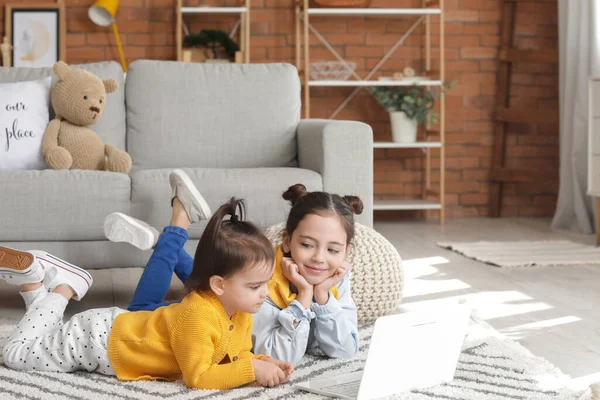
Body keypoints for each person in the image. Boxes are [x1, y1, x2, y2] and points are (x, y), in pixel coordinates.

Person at [0, 170, 293, 389]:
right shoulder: (198, 316)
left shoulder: (241, 311)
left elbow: (234, 354)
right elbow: (199, 377)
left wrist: (263, 362)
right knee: (15, 355)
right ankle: (64, 287)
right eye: (255, 286)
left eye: (265, 283)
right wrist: (251, 371)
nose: (265, 294)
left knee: (37, 339)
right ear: (218, 285)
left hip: (118, 329)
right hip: (97, 340)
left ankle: (34, 286)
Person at [102, 181, 362, 366]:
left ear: (345, 251)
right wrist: (305, 296)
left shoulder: (332, 280)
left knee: (206, 279)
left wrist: (323, 298)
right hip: (203, 319)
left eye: (333, 249)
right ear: (286, 241)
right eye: (307, 245)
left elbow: (345, 350)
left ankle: (164, 243)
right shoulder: (265, 281)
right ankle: (178, 222)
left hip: (225, 287)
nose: (319, 258)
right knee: (138, 312)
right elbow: (274, 355)